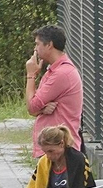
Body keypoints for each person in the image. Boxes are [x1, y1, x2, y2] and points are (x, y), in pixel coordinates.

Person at [25, 25, 83, 157]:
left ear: (49, 45)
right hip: (52, 148)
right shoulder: (53, 71)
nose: (35, 49)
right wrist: (41, 110)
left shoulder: (62, 73)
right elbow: (35, 108)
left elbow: (31, 106)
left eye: (37, 44)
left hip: (60, 150)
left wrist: (31, 75)